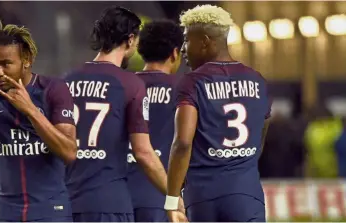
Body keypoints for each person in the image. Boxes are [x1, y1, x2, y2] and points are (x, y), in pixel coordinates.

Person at [0, 18, 77, 222]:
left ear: (26, 60)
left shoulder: (53, 90)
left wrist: (32, 111)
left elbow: (69, 152)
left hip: (51, 210)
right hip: (7, 213)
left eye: (6, 64)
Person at [165, 5, 271, 222]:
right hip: (247, 193)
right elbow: (260, 137)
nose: (183, 48)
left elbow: (183, 143)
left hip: (203, 196)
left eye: (186, 40)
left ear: (204, 41)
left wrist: (172, 199)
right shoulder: (257, 80)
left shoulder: (192, 82)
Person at [64, 6, 170, 222]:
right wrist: (173, 195)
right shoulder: (131, 85)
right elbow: (143, 153)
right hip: (109, 202)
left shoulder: (66, 80)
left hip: (67, 201)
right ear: (130, 40)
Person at [126, 20, 183, 222]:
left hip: (119, 197)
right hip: (163, 196)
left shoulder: (123, 87)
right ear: (175, 53)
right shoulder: (184, 90)